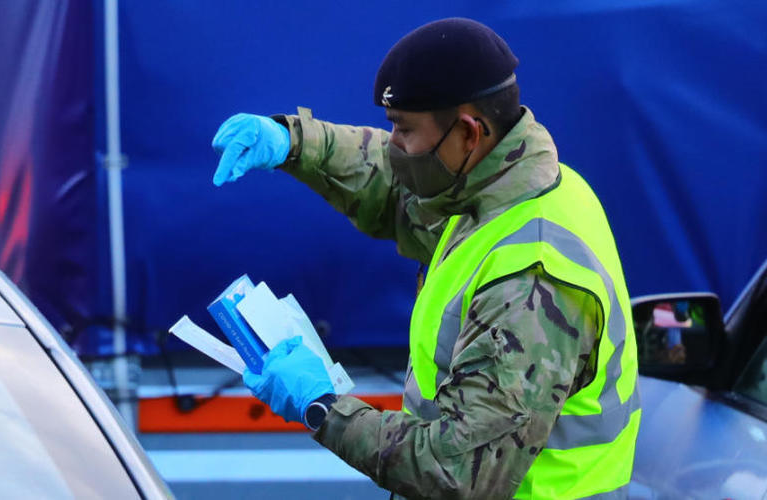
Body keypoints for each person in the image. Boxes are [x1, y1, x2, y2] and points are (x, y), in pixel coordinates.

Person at [212, 18, 640, 499]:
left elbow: (458, 472)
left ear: (468, 132)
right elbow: (393, 188)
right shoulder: (504, 187)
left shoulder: (531, 283)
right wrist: (294, 142)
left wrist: (323, 408)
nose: (393, 144)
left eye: (404, 130)